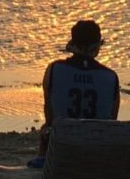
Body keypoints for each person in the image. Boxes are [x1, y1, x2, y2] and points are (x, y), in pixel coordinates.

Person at [27, 20, 120, 170]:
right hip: (96, 147)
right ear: (97, 46)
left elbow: (49, 113)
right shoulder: (110, 76)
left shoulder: (54, 69)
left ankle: (42, 157)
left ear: (73, 43)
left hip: (63, 144)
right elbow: (112, 119)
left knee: (48, 126)